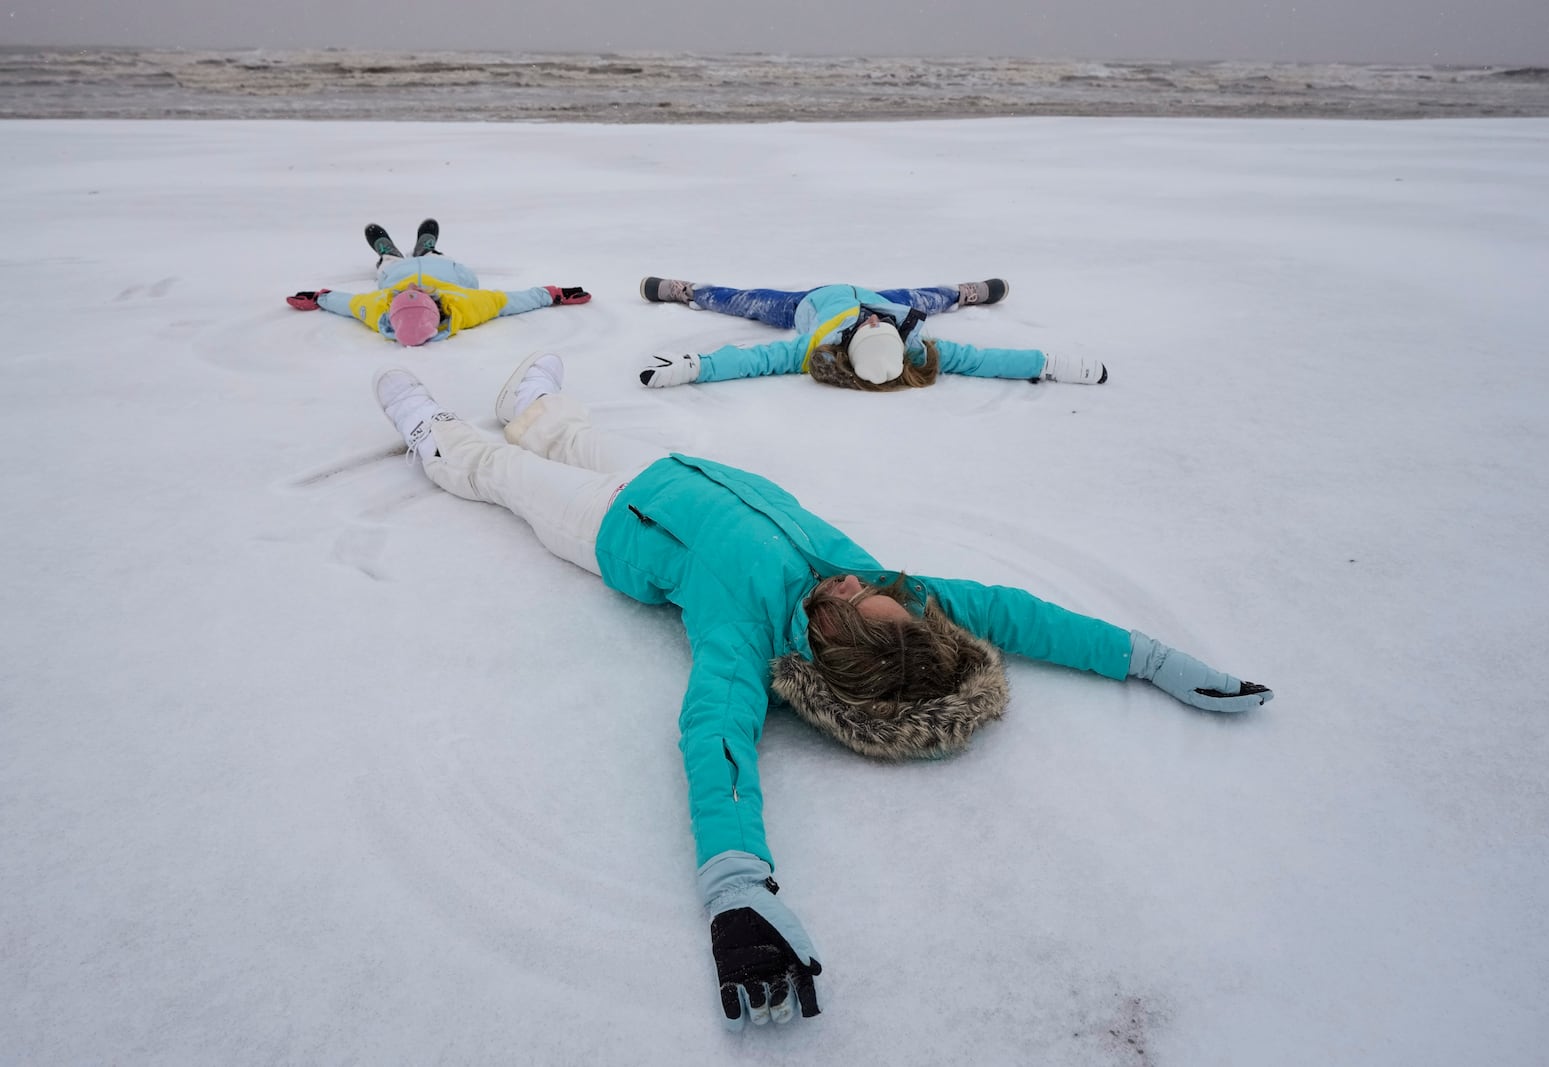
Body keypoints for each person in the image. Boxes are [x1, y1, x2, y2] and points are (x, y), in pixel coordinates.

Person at [369, 355, 1272, 1029]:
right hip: (676, 473)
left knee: (502, 473)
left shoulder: (750, 636)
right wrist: (1149, 659)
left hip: (608, 525)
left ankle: (434, 435)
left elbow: (714, 736)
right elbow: (1022, 614)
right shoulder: (896, 594)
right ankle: (535, 405)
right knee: (569, 431)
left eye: (855, 599)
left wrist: (736, 892)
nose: (856, 580)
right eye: (875, 591)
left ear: (839, 640)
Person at [637, 277, 1108, 390]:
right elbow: (983, 360)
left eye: (869, 328)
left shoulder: (815, 347)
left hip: (807, 302)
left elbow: (756, 360)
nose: (874, 321)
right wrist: (1049, 365)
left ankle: (686, 291)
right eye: (879, 327)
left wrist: (695, 366)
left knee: (743, 299)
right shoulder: (907, 335)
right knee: (934, 297)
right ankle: (969, 293)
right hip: (891, 294)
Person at [284, 220, 591, 346]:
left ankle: (388, 255)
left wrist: (320, 297)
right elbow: (511, 300)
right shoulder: (465, 306)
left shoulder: (379, 307)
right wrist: (553, 294)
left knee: (390, 272)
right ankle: (428, 250)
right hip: (448, 272)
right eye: (416, 294)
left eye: (405, 295)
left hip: (398, 273)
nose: (413, 290)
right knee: (446, 266)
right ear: (437, 306)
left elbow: (348, 303)